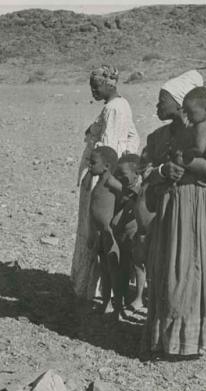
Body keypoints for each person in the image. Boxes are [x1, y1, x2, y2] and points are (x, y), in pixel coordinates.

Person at [140, 70, 206, 359]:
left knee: (192, 268)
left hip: (196, 206)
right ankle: (167, 339)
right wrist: (163, 171)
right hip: (167, 210)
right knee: (168, 269)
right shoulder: (157, 137)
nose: (157, 107)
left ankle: (190, 341)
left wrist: (192, 165)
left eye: (162, 100)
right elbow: (142, 171)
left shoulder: (204, 132)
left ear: (179, 104)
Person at [71, 65, 139, 304]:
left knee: (97, 229)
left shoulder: (115, 108)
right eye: (91, 86)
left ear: (110, 84)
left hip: (101, 176)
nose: (93, 90)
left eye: (96, 85)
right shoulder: (114, 107)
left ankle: (96, 287)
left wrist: (102, 181)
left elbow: (111, 146)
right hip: (99, 172)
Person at [87, 146, 123, 316]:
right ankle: (106, 301)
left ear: (107, 166)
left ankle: (117, 306)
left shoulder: (111, 182)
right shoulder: (100, 181)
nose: (89, 166)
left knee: (113, 270)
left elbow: (127, 196)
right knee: (105, 270)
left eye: (93, 163)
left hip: (110, 235)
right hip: (100, 234)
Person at [111, 153, 146, 311]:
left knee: (139, 265)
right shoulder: (121, 187)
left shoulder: (142, 189)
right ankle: (123, 294)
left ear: (136, 174)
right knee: (123, 263)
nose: (119, 177)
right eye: (117, 173)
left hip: (136, 232)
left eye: (123, 174)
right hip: (122, 232)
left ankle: (139, 297)